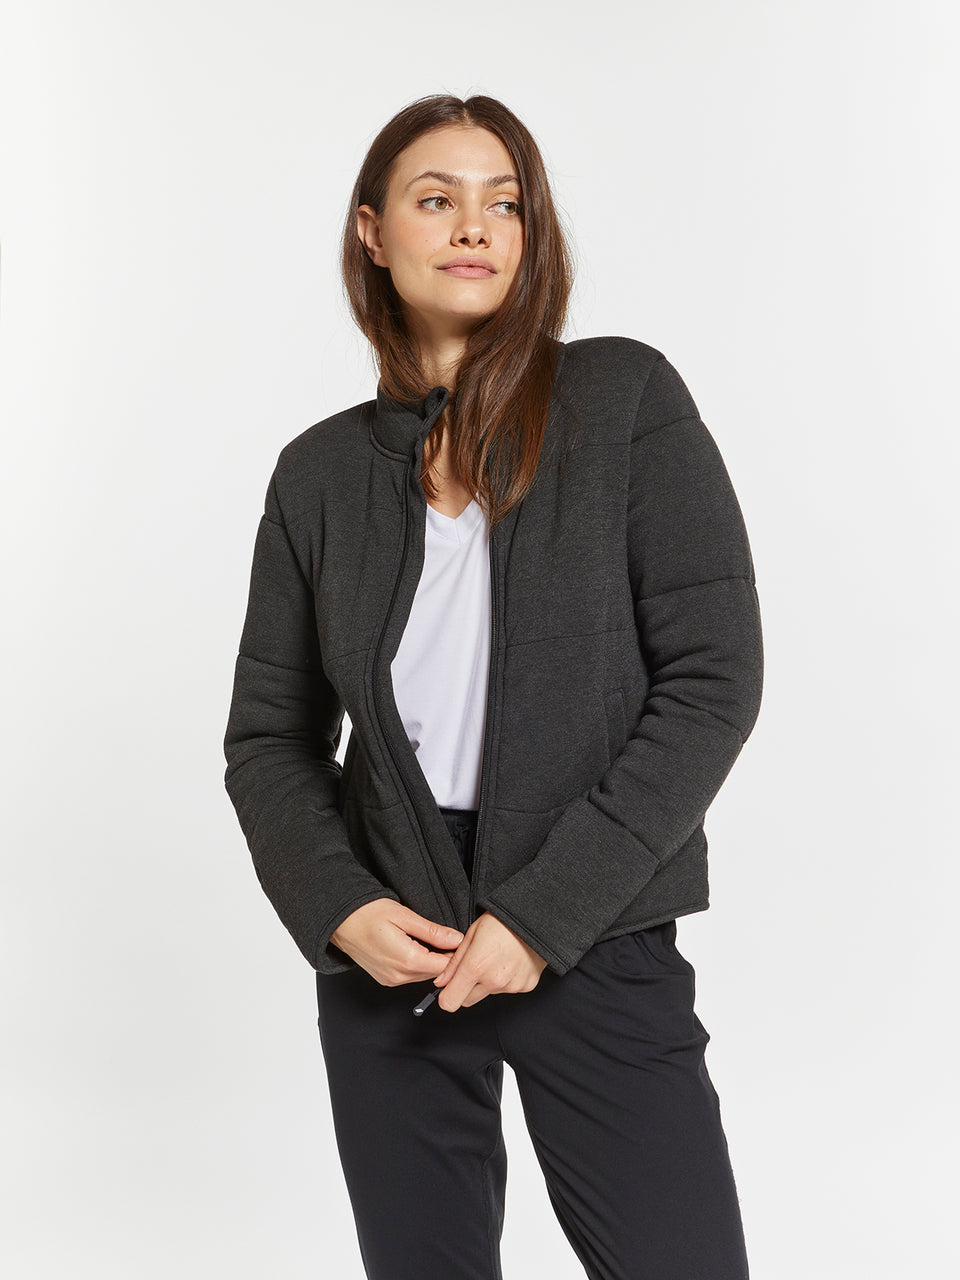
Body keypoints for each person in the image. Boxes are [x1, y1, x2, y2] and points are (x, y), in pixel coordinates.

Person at [223, 92, 763, 1280]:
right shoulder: (318, 475)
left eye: (505, 202)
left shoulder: (624, 402)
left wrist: (544, 914)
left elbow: (713, 680)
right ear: (373, 231)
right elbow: (268, 736)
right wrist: (338, 904)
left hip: (595, 924)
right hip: (393, 948)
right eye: (437, 198)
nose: (476, 225)